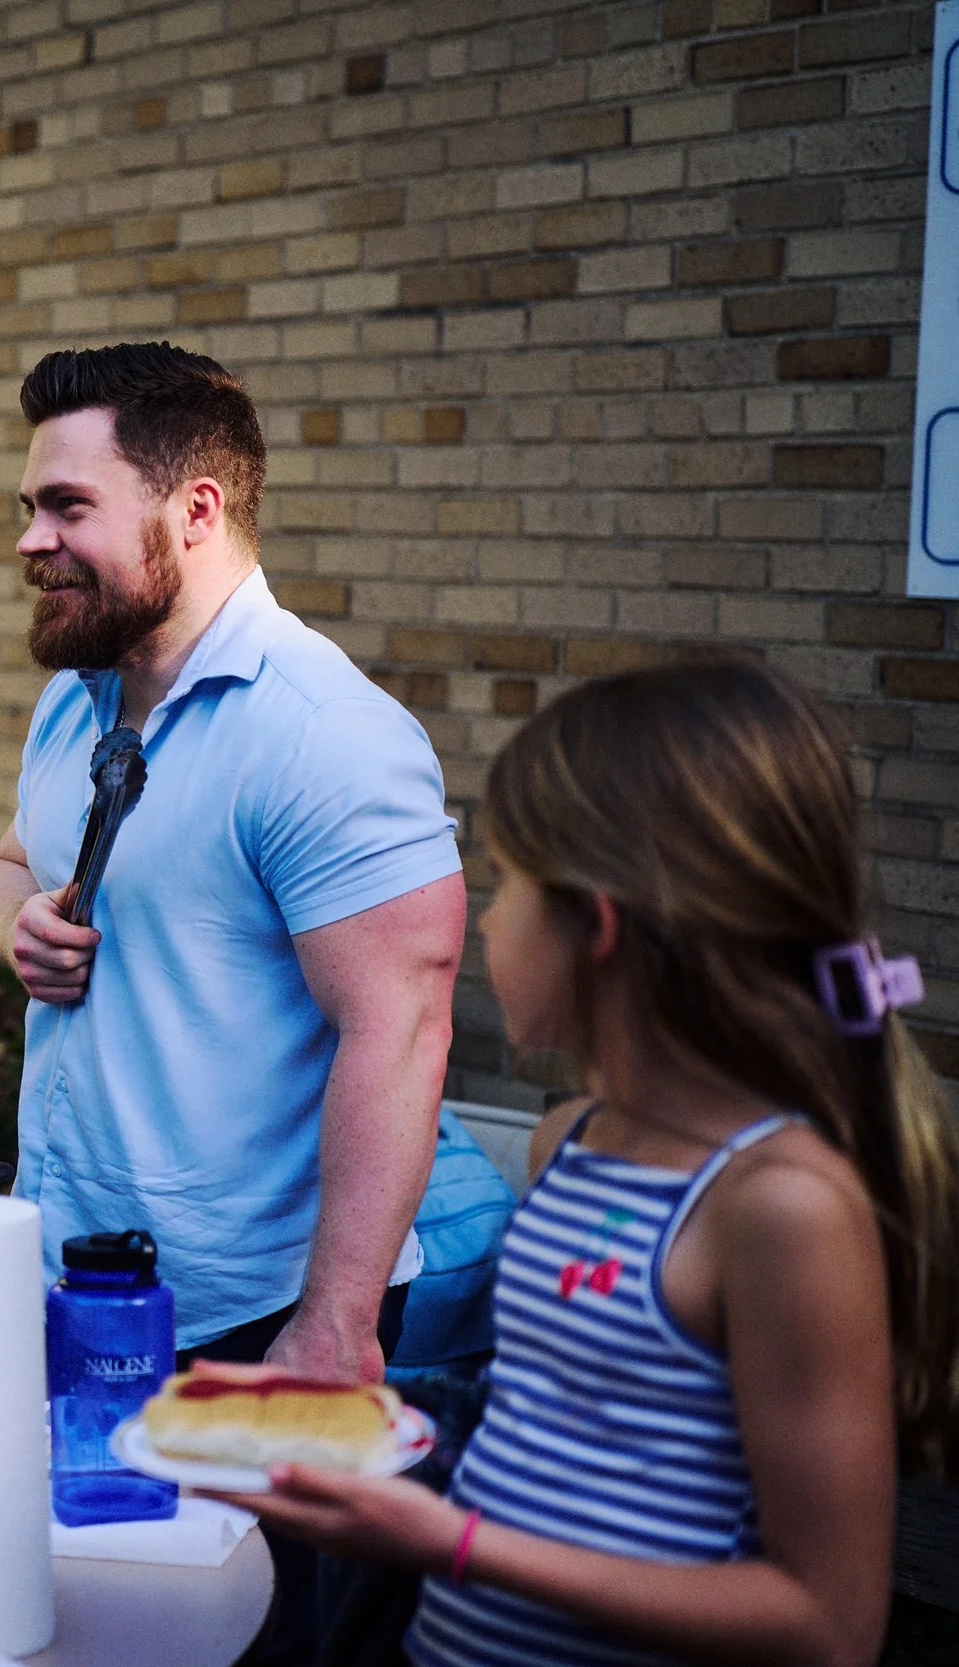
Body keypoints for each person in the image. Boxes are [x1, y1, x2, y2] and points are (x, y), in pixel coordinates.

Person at [217, 662, 959, 1667]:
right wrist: (352, 1426)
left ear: (595, 924)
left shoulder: (782, 1205)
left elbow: (827, 1626)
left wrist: (456, 1543)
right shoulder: (569, 1138)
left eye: (509, 880)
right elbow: (566, 1425)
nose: (483, 918)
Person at [0, 342, 466, 1382]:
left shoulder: (324, 733)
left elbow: (403, 1026)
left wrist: (336, 1320)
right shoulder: (76, 695)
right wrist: (15, 921)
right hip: (72, 1277)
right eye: (29, 505)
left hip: (252, 1312)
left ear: (195, 509)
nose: (31, 540)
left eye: (67, 506)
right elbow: (14, 861)